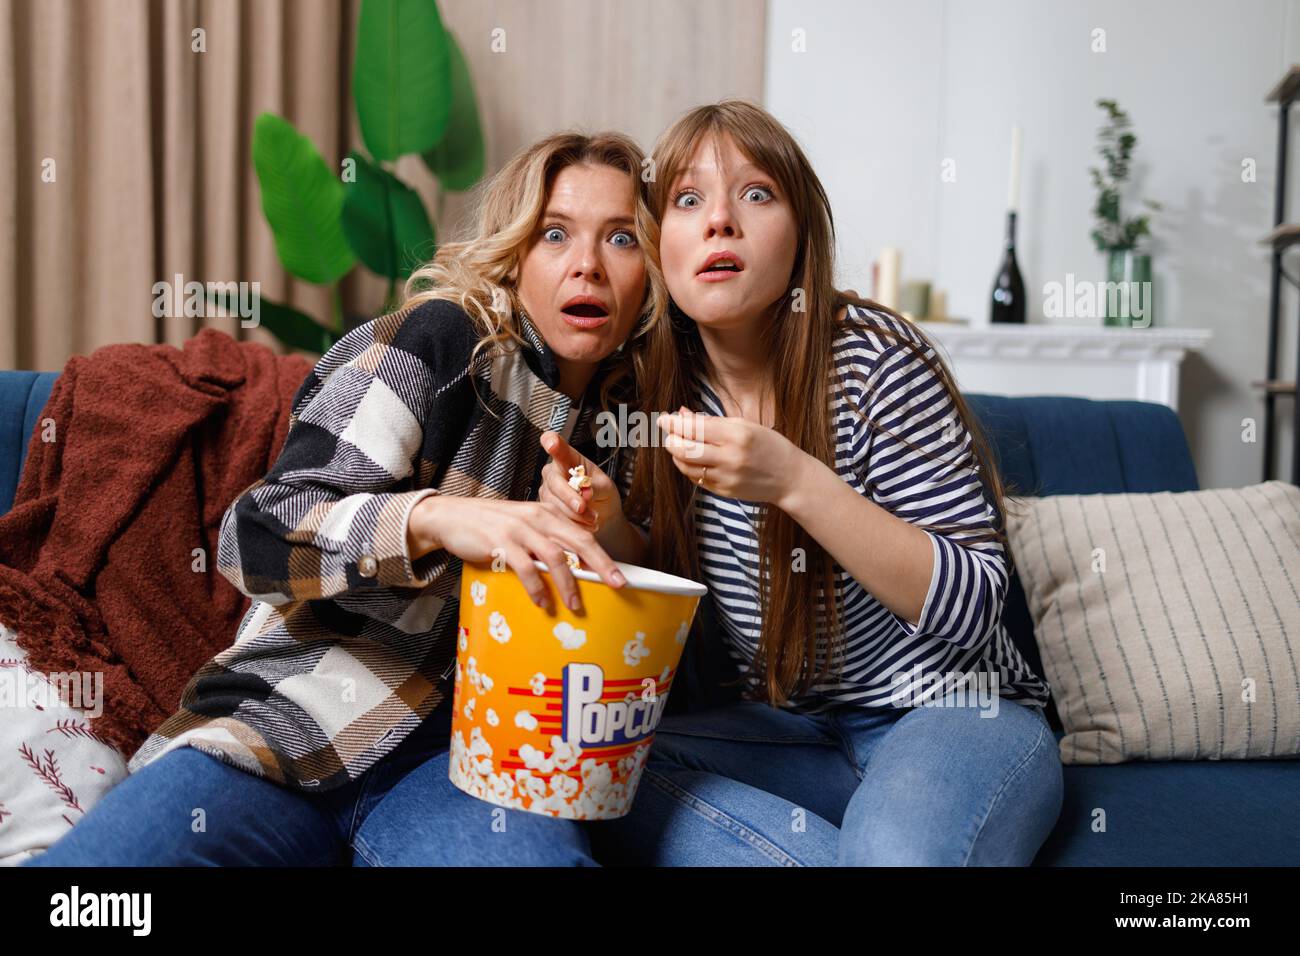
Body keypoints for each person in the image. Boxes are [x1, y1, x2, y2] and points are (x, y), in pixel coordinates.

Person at [25, 130, 659, 867]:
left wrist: (614, 531)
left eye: (621, 238)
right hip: (288, 721)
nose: (588, 264)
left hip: (467, 768)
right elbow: (255, 536)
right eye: (555, 234)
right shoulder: (441, 344)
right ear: (516, 255)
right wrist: (434, 518)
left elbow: (653, 647)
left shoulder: (633, 424)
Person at [539, 100, 1064, 866]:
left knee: (896, 853)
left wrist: (795, 481)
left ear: (801, 232)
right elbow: (661, 583)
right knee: (587, 767)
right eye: (688, 199)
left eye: (756, 193)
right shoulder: (653, 392)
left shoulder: (876, 362)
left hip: (954, 713)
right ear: (657, 246)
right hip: (790, 735)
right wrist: (611, 523)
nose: (721, 220)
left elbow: (976, 602)